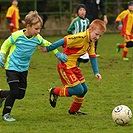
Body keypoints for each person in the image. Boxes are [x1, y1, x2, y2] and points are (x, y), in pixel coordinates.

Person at [0, 11, 67, 122]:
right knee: (15, 92)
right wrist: (1, 54)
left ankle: (1, 94)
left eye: (39, 29)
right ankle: (6, 114)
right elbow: (6, 44)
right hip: (12, 67)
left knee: (20, 94)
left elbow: (48, 45)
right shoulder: (17, 35)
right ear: (28, 26)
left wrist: (57, 54)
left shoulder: (38, 38)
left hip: (24, 69)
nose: (38, 31)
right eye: (36, 29)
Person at [38, 19, 106, 115]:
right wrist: (48, 49)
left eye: (100, 35)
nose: (97, 37)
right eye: (96, 34)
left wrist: (96, 72)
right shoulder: (80, 37)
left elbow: (92, 56)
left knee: (84, 90)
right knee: (78, 90)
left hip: (73, 66)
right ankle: (54, 91)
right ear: (90, 29)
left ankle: (73, 110)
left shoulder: (91, 42)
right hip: (64, 66)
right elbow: (63, 40)